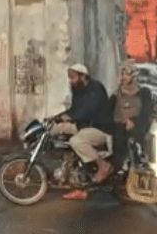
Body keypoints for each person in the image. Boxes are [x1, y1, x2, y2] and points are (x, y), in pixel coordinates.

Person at [54, 63, 114, 200]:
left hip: (100, 128)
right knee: (55, 128)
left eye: (73, 77)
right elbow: (74, 110)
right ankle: (65, 164)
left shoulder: (96, 88)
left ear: (83, 76)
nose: (70, 80)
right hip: (84, 125)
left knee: (76, 141)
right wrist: (57, 117)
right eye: (69, 77)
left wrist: (70, 116)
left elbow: (88, 110)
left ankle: (103, 165)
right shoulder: (77, 89)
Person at [110, 61, 154, 172]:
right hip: (118, 128)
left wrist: (133, 121)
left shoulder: (144, 93)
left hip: (138, 127)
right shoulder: (116, 95)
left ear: (134, 76)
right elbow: (107, 112)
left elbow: (146, 113)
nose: (123, 77)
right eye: (122, 74)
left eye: (126, 74)